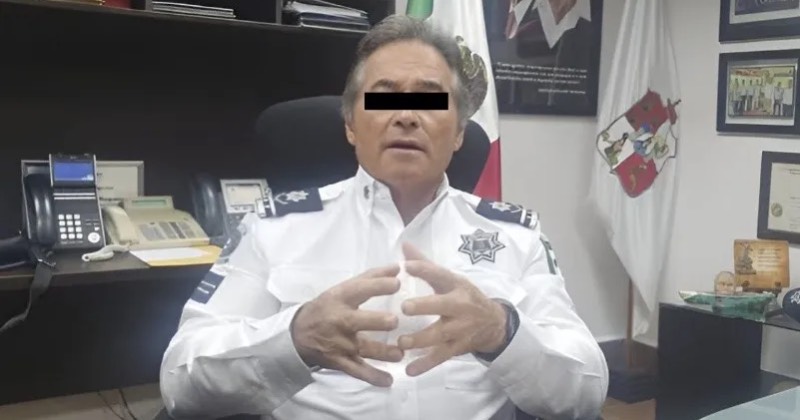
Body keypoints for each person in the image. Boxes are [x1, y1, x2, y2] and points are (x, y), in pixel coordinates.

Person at [159, 14, 608, 420]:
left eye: (431, 101)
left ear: (459, 133)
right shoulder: (274, 228)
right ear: (350, 125)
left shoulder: (514, 235)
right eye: (382, 98)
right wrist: (292, 339)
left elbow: (586, 391)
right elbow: (181, 381)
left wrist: (502, 332)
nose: (407, 116)